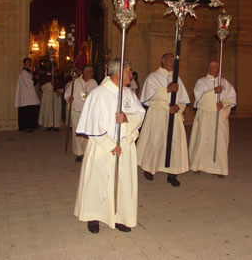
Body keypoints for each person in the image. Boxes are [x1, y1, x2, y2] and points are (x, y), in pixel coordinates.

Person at [74, 58, 145, 234]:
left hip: (125, 145)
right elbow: (92, 124)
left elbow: (140, 114)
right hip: (102, 147)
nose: (131, 75)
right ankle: (93, 215)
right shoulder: (98, 94)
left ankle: (119, 216)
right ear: (120, 74)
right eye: (129, 71)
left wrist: (127, 119)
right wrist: (110, 145)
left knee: (122, 182)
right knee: (98, 182)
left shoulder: (128, 94)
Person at [136, 53, 190, 187]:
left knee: (174, 144)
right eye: (170, 60)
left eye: (174, 61)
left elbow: (183, 99)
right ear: (163, 61)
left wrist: (178, 107)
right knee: (155, 141)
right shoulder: (153, 77)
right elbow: (149, 98)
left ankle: (172, 174)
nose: (172, 63)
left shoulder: (177, 78)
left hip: (174, 116)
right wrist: (166, 90)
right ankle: (149, 168)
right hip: (158, 115)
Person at [189, 61, 236, 177]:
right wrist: (213, 92)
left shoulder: (224, 82)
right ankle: (198, 164)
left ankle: (220, 169)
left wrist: (223, 104)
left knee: (220, 141)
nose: (214, 69)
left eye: (216, 67)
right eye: (212, 67)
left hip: (219, 116)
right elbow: (198, 98)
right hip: (205, 115)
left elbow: (232, 97)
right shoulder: (201, 82)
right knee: (202, 138)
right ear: (208, 68)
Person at [64, 65, 98, 161]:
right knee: (77, 132)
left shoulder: (94, 83)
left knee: (87, 132)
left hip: (88, 111)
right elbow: (67, 94)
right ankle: (79, 153)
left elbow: (98, 95)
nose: (92, 73)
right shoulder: (75, 82)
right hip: (76, 110)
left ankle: (87, 152)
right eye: (90, 71)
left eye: (92, 71)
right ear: (85, 72)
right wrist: (68, 99)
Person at [15, 57, 40, 132]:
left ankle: (31, 126)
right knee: (26, 111)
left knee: (30, 111)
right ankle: (26, 127)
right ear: (24, 64)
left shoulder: (29, 72)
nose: (29, 64)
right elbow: (29, 84)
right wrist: (35, 78)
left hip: (29, 95)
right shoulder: (23, 72)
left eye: (30, 62)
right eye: (28, 62)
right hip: (25, 96)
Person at [38, 63, 64, 131]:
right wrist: (50, 84)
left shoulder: (57, 77)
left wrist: (60, 91)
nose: (55, 69)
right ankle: (48, 125)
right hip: (48, 96)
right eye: (53, 67)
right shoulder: (45, 77)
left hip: (56, 96)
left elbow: (61, 85)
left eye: (55, 67)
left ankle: (56, 125)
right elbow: (41, 87)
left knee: (56, 110)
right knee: (48, 110)